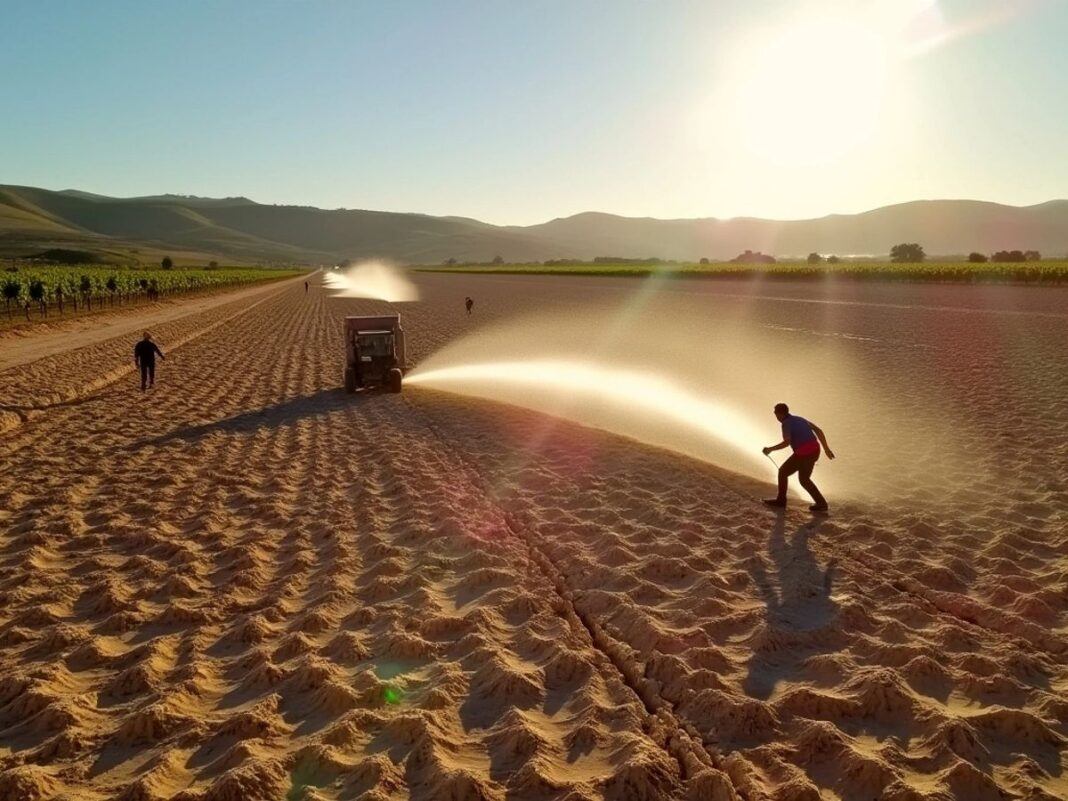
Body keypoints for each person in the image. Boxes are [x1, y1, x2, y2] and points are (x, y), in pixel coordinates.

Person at [762, 402, 834, 513]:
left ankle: (781, 501)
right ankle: (821, 503)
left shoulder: (786, 423)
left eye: (776, 414)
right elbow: (818, 430)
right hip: (815, 451)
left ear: (780, 414)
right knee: (804, 479)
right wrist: (826, 449)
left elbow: (787, 442)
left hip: (804, 454)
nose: (776, 416)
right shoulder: (800, 419)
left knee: (783, 472)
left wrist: (770, 449)